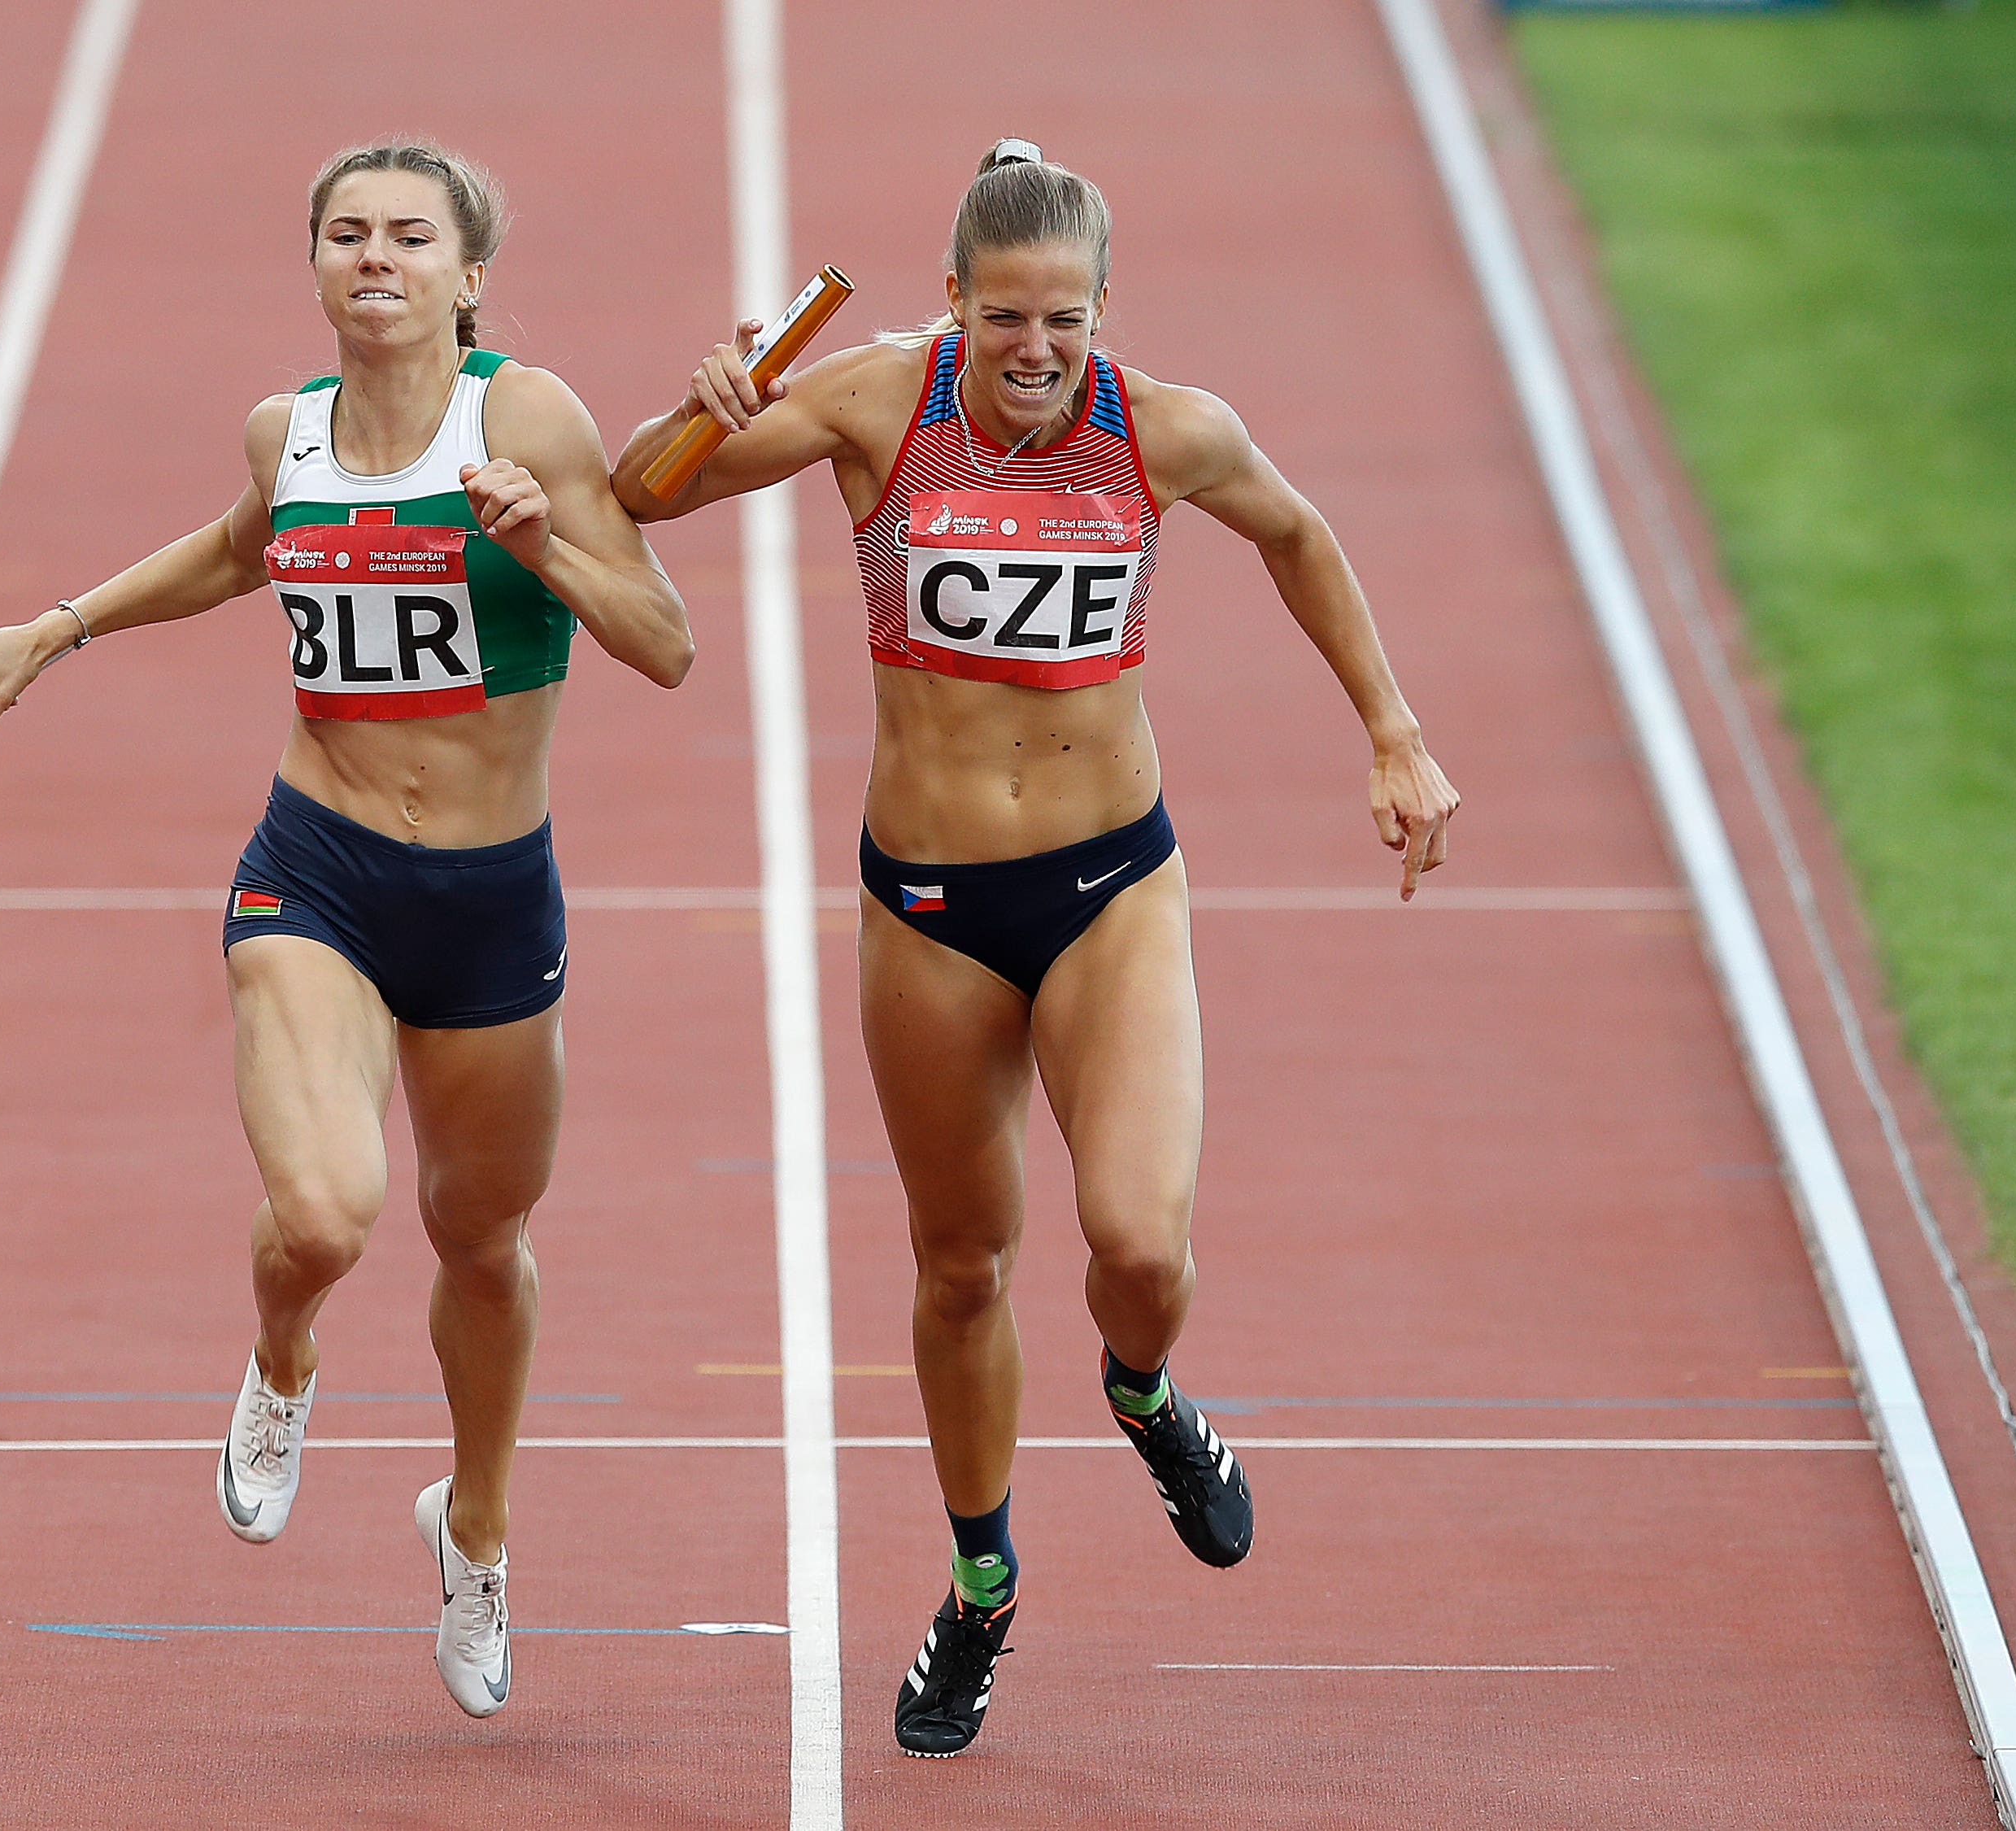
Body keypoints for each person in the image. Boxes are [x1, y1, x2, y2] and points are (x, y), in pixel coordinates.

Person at [612, 139, 1457, 1756]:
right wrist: (706, 398)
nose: (1032, 350)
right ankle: (980, 1580)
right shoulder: (874, 400)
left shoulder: (1165, 428)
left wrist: (1392, 732)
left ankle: (1142, 1392)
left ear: (1101, 309)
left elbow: (1292, 533)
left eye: (1062, 318)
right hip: (927, 905)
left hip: (1109, 887)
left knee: (1137, 1244)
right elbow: (645, 493)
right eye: (1003, 317)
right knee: (957, 1264)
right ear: (952, 303)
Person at [0, 138, 693, 1720]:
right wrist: (53, 630)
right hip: (321, 876)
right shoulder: (285, 432)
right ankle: (282, 1359)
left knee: (481, 1241)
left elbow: (666, 643)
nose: (376, 257)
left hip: (492, 905)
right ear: (314, 264)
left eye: (410, 236)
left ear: (467, 273)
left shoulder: (530, 416)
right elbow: (232, 555)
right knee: (331, 1213)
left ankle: (471, 1530)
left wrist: (541, 536)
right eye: (346, 233)